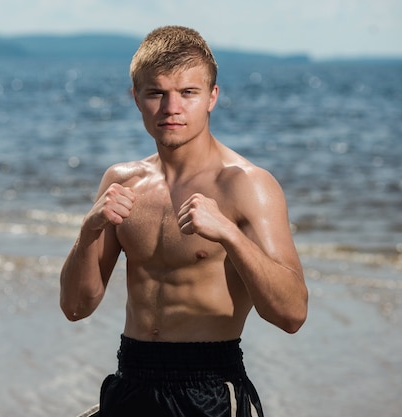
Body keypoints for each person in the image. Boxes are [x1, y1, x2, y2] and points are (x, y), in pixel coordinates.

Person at [60, 25, 308, 417]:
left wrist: (228, 233)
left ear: (212, 97)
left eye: (188, 93)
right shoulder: (121, 181)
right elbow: (76, 307)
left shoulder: (247, 185)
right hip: (131, 381)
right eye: (156, 92)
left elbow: (292, 314)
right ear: (136, 97)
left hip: (209, 388)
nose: (171, 108)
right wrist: (88, 231)